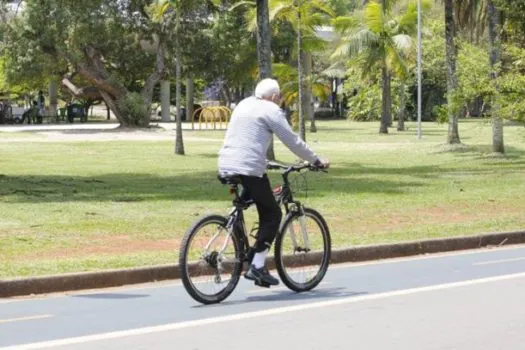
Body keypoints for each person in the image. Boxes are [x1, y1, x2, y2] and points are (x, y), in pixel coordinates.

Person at [217, 78, 329, 287]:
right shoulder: (271, 110)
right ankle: (257, 265)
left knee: (256, 197)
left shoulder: (243, 104)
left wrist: (263, 160)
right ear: (276, 97)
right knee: (273, 214)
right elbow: (292, 140)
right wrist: (316, 160)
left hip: (226, 163)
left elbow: (246, 137)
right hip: (249, 167)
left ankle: (250, 254)